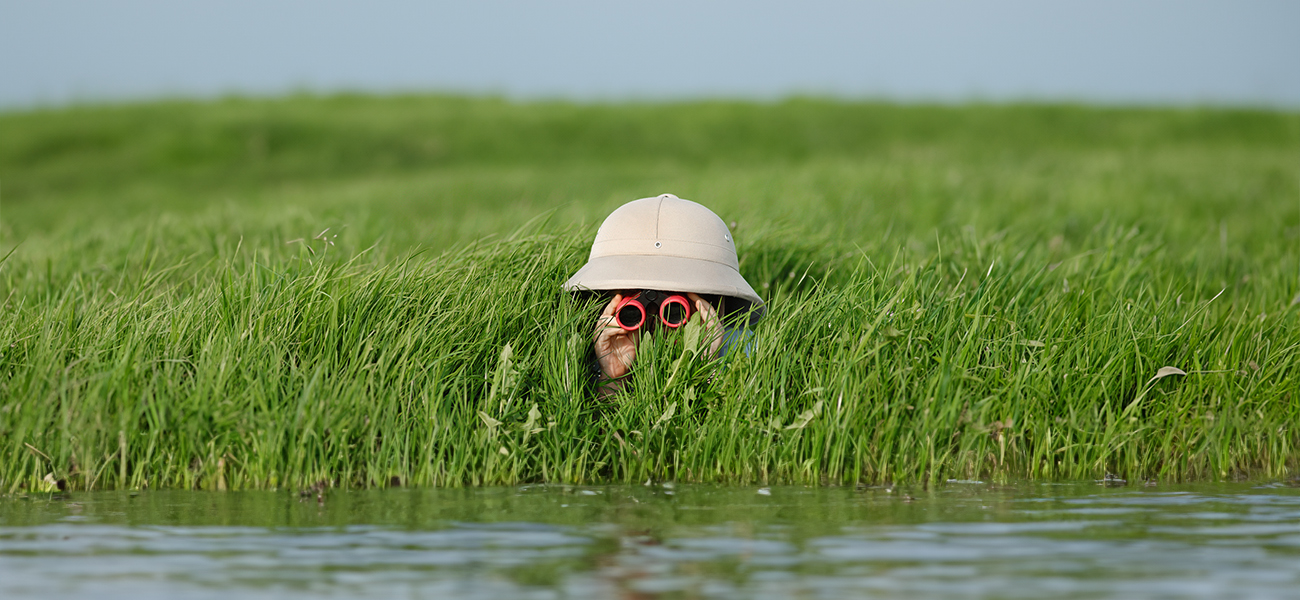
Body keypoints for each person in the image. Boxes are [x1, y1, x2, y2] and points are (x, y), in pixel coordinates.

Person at [563, 193, 766, 396]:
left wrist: (704, 366)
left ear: (709, 302)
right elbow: (595, 428)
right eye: (633, 308)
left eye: (675, 309)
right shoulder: (587, 351)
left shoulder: (743, 348)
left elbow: (730, 426)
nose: (654, 316)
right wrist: (612, 376)